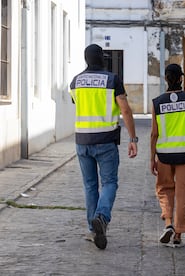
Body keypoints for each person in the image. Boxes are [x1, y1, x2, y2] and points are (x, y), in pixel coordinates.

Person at [69, 44, 138, 250]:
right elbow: (124, 109)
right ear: (102, 58)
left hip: (82, 142)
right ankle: (102, 216)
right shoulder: (112, 79)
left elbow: (76, 103)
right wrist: (133, 139)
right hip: (106, 141)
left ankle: (93, 229)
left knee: (90, 186)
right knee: (109, 183)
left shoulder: (75, 81)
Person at [150, 63, 185, 247]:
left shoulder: (157, 102)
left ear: (165, 79)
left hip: (164, 155)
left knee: (164, 189)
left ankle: (168, 223)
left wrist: (151, 158)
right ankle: (178, 233)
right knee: (184, 193)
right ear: (181, 78)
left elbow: (154, 133)